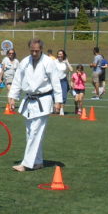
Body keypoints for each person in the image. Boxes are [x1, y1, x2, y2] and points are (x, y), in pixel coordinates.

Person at [7, 38, 64, 172]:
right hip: (29, 100)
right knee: (30, 133)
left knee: (35, 132)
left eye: (37, 51)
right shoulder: (25, 61)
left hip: (43, 100)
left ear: (41, 49)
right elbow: (17, 80)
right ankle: (37, 161)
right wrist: (12, 97)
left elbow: (56, 82)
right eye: (32, 50)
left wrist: (58, 101)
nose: (34, 53)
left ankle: (26, 164)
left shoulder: (48, 62)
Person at [53, 50, 72, 114]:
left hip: (63, 80)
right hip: (56, 81)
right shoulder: (54, 62)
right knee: (54, 95)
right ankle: (55, 108)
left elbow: (71, 70)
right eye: (58, 54)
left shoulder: (65, 63)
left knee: (64, 96)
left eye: (61, 54)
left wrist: (67, 62)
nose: (59, 55)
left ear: (63, 55)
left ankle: (61, 109)